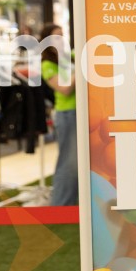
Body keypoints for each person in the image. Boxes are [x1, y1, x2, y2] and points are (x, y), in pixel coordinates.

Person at [40, 24, 78, 206]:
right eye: (56, 37)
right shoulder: (47, 64)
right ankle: (60, 205)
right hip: (67, 114)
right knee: (68, 162)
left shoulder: (69, 57)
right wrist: (80, 71)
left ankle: (75, 202)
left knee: (79, 162)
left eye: (62, 35)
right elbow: (64, 89)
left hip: (79, 113)